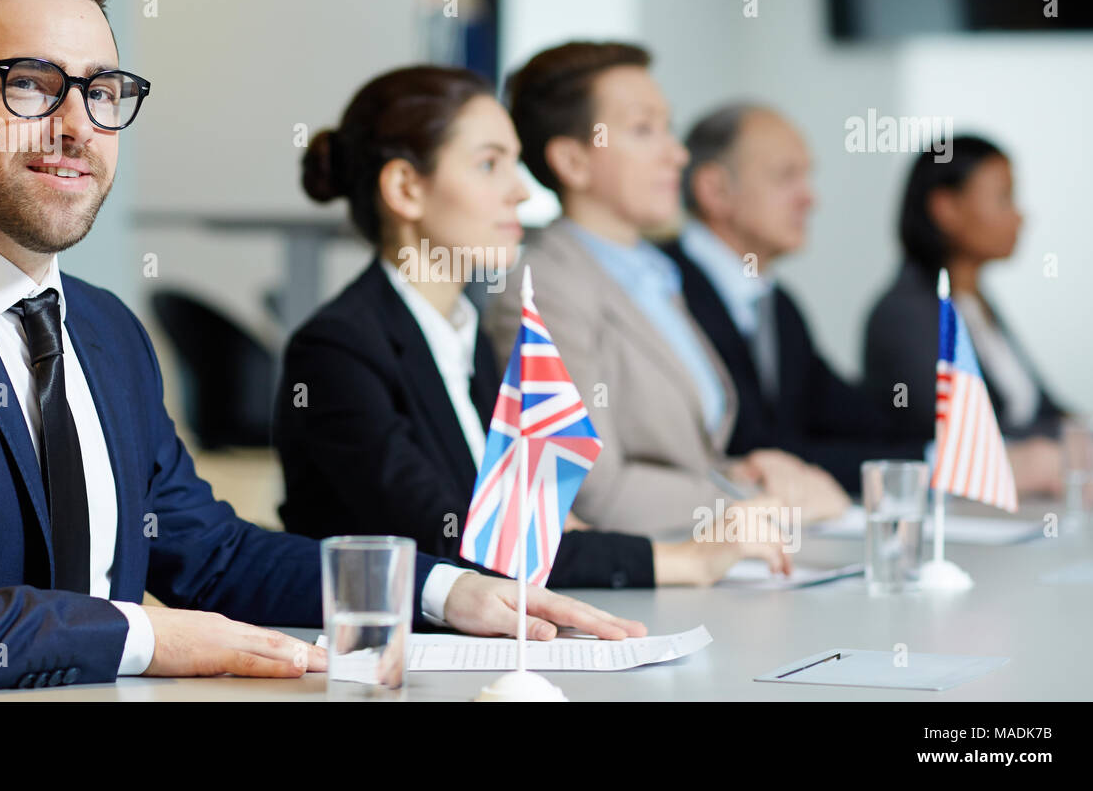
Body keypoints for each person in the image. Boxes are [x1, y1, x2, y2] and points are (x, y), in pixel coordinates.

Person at [0, 0, 644, 701]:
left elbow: (215, 556)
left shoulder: (105, 332)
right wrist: (143, 636)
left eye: (101, 92)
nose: (75, 127)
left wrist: (443, 592)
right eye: (28, 83)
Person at [274, 66, 793, 589]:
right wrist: (685, 560)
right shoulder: (337, 350)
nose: (520, 191)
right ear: (406, 188)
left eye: (513, 165)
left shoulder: (458, 335)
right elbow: (460, 543)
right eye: (488, 165)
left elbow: (522, 520)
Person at [484, 41, 850, 538]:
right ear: (572, 161)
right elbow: (588, 489)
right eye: (643, 130)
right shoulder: (546, 289)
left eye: (668, 128)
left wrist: (740, 470)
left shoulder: (655, 275)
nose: (676, 154)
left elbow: (680, 454)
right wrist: (756, 503)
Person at [661, 103, 927, 494]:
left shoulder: (777, 304)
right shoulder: (663, 290)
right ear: (715, 190)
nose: (810, 199)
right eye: (787, 177)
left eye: (807, 176)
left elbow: (854, 418)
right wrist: (934, 466)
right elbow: (749, 449)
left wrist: (942, 456)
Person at [863, 136, 1068, 495]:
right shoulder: (905, 313)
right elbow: (959, 431)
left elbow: (1046, 411)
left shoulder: (975, 304)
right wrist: (1067, 447)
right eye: (1004, 198)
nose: (1019, 215)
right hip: (964, 513)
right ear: (946, 208)